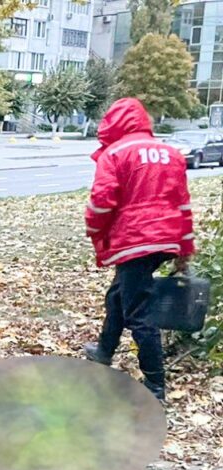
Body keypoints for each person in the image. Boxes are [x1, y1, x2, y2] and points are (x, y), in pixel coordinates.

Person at [83, 97, 195, 401]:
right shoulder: (171, 153)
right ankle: (104, 350)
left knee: (138, 311)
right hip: (165, 240)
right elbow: (182, 203)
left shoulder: (115, 154)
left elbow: (101, 203)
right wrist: (184, 248)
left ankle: (155, 385)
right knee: (118, 294)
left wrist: (95, 233)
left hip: (136, 240)